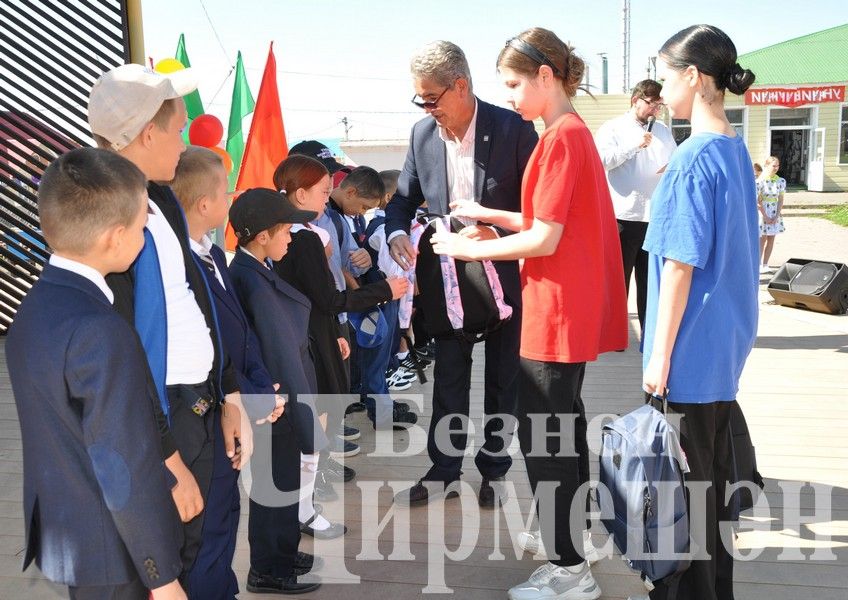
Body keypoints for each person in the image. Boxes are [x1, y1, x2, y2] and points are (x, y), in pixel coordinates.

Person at [431, 28, 628, 600]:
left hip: (555, 313)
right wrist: (490, 212)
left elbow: (545, 238)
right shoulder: (568, 134)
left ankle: (569, 570)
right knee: (563, 430)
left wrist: (469, 247)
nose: (511, 97)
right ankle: (574, 542)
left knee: (546, 439)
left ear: (547, 77)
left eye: (515, 84)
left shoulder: (560, 139)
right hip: (563, 309)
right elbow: (550, 221)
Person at [87, 64, 248, 594]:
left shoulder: (162, 201)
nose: (183, 143)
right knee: (175, 551)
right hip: (162, 413)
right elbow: (120, 346)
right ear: (146, 132)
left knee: (212, 532)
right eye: (177, 130)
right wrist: (164, 452)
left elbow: (196, 302)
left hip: (199, 399)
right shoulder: (107, 213)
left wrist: (226, 392)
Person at [7, 148, 186, 600]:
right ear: (114, 236)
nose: (145, 235)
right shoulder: (100, 329)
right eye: (143, 225)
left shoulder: (33, 309)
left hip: (71, 529)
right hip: (114, 546)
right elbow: (121, 461)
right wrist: (161, 576)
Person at [385, 40, 538, 508]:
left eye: (432, 98)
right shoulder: (421, 135)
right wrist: (394, 234)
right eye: (420, 100)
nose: (428, 109)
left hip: (505, 270)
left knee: (503, 377)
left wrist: (492, 230)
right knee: (449, 376)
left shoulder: (513, 128)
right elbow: (402, 199)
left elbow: (538, 208)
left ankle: (494, 468)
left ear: (461, 86)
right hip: (448, 276)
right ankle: (444, 468)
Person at [642, 24, 758, 600]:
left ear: (692, 75)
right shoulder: (735, 150)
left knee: (679, 506)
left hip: (688, 355)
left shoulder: (692, 159)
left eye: (666, 75)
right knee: (707, 496)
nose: (661, 88)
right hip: (723, 349)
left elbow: (680, 267)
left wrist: (657, 356)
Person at [170, 147, 298, 598]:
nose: (231, 198)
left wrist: (261, 389)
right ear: (205, 204)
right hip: (206, 416)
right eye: (225, 191)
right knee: (206, 534)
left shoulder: (210, 255)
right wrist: (249, 394)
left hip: (237, 401)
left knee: (223, 521)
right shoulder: (182, 263)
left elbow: (240, 336)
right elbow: (207, 345)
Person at [272, 155, 409, 507]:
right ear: (300, 195)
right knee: (319, 403)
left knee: (332, 398)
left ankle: (322, 465)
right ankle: (311, 481)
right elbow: (328, 297)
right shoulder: (300, 240)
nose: (326, 198)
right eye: (323, 191)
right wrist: (384, 290)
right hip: (310, 333)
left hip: (324, 327)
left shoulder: (311, 232)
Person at [227, 188, 326, 595]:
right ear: (262, 236)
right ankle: (268, 567)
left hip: (277, 394)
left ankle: (283, 551)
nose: (291, 237)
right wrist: (303, 411)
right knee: (273, 486)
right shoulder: (250, 277)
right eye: (285, 230)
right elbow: (280, 349)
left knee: (283, 480)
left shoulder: (257, 269)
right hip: (275, 398)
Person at [595, 79, 677, 334]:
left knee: (651, 278)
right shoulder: (613, 128)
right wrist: (635, 145)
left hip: (655, 216)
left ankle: (649, 332)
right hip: (623, 215)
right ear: (636, 100)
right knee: (619, 279)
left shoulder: (663, 130)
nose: (656, 110)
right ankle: (615, 332)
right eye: (653, 104)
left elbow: (674, 160)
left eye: (660, 105)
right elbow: (603, 162)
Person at [757, 156, 786, 273]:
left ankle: (765, 263)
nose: (776, 168)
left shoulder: (781, 181)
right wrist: (765, 215)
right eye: (773, 165)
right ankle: (757, 264)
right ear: (767, 166)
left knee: (771, 238)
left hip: (774, 212)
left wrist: (777, 215)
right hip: (763, 211)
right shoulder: (760, 181)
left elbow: (781, 199)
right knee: (762, 239)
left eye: (777, 165)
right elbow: (757, 200)